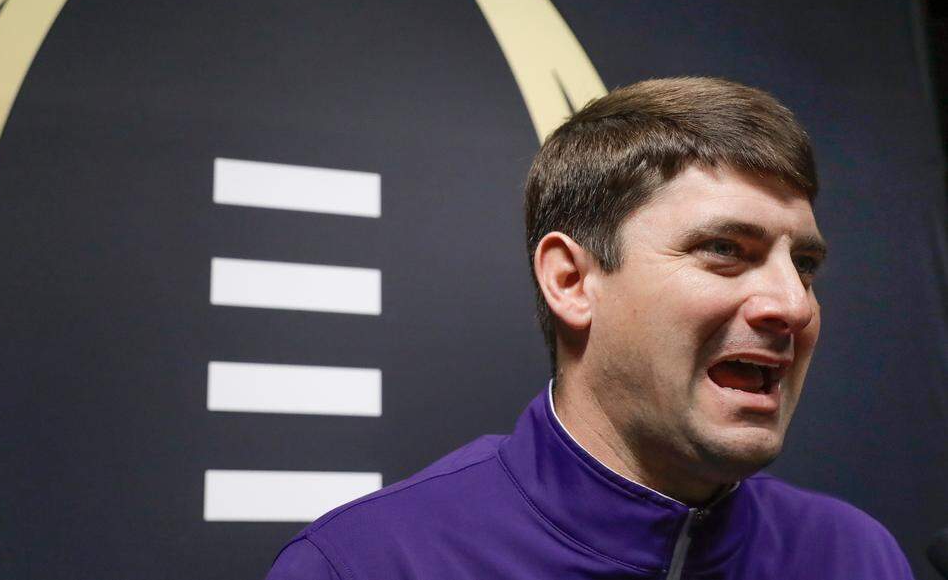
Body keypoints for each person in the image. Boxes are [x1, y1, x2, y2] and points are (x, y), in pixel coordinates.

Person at [264, 78, 914, 579]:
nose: (793, 304)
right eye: (725, 248)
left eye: (803, 264)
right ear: (572, 281)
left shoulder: (855, 554)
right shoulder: (365, 563)